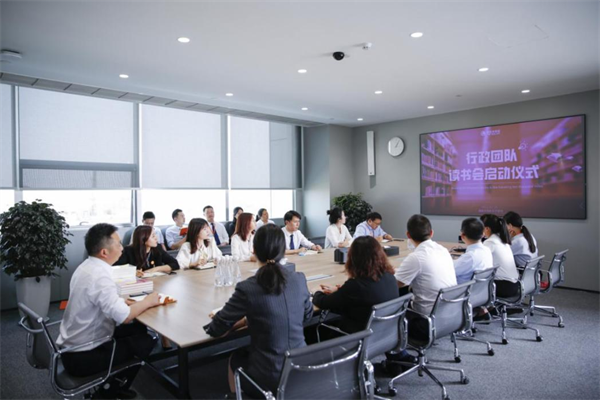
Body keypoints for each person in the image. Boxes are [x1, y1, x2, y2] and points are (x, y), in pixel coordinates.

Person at [204, 224, 313, 395]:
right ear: (283, 250)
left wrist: (244, 321)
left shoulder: (248, 288)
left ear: (253, 250)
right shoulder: (299, 279)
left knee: (235, 357)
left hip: (270, 375)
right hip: (302, 366)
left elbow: (216, 328)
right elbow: (307, 316)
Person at [57, 223, 160, 400]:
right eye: (118, 244)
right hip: (83, 356)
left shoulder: (87, 267)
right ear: (104, 252)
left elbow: (98, 299)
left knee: (138, 329)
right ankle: (107, 393)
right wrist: (148, 301)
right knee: (146, 340)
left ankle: (116, 385)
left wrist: (121, 301)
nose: (122, 248)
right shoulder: (100, 276)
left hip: (73, 347)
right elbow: (125, 316)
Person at [313, 236, 398, 334]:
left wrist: (316, 292)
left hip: (358, 337)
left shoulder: (356, 285)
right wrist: (339, 290)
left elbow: (323, 302)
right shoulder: (390, 277)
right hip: (386, 333)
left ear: (353, 258)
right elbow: (360, 294)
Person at [394, 214, 457, 342]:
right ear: (431, 233)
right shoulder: (443, 250)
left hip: (425, 322)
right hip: (452, 315)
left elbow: (395, 284)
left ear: (408, 235)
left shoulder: (416, 257)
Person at [480, 214, 520, 298]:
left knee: (471, 283)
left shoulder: (490, 242)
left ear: (487, 229)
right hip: (514, 285)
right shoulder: (501, 239)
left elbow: (478, 262)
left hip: (503, 286)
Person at [453, 218, 493, 284]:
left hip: (463, 289)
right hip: (480, 289)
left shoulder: (470, 257)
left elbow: (449, 271)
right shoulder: (487, 250)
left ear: (462, 235)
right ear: (483, 234)